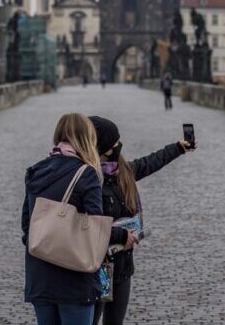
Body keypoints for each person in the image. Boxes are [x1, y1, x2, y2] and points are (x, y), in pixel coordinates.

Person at [88, 115, 196, 325]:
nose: (120, 145)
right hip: (99, 266)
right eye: (115, 142)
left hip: (123, 265)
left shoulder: (123, 172)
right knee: (91, 319)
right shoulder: (89, 181)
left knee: (115, 321)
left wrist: (178, 148)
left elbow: (151, 162)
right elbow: (87, 224)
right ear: (101, 147)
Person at [23, 114, 106, 325]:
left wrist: (47, 246)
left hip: (40, 276)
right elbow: (95, 230)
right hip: (75, 281)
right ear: (87, 138)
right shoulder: (86, 174)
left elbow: (27, 225)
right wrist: (123, 235)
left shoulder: (36, 170)